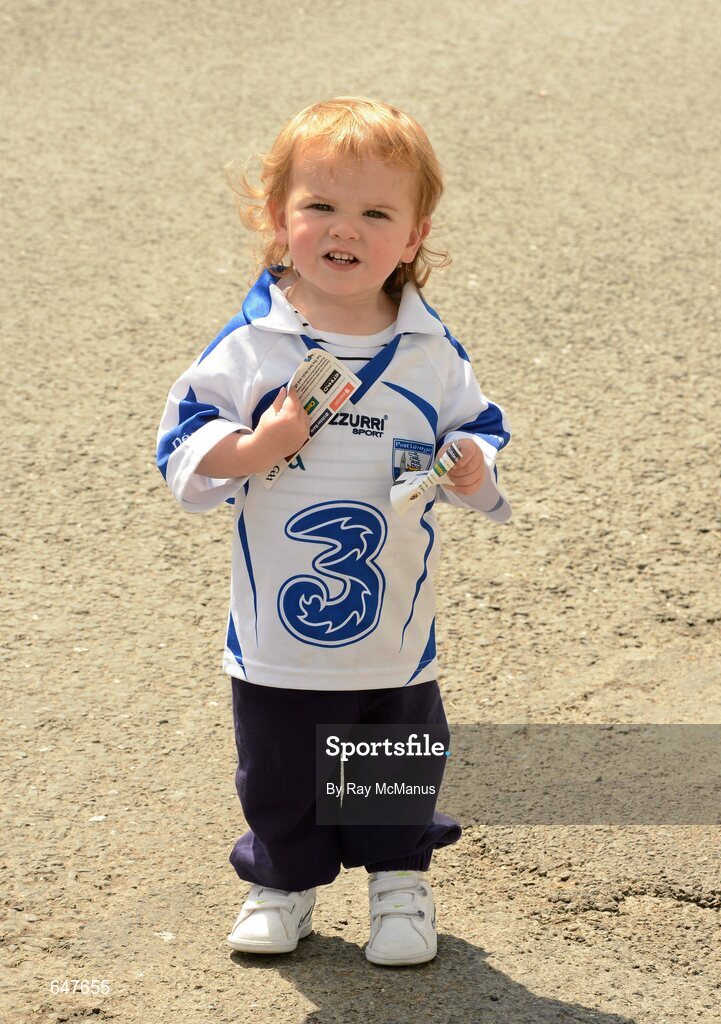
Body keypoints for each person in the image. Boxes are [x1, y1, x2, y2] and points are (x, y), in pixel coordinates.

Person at [155, 96, 511, 966]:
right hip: (278, 618)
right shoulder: (253, 344)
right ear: (278, 219)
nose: (343, 229)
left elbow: (480, 425)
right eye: (320, 205)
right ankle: (283, 879)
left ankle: (399, 880)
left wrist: (470, 464)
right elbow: (182, 441)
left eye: (375, 212)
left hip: (392, 618)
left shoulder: (429, 351)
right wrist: (256, 445)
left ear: (416, 235)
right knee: (277, 759)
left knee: (394, 744)